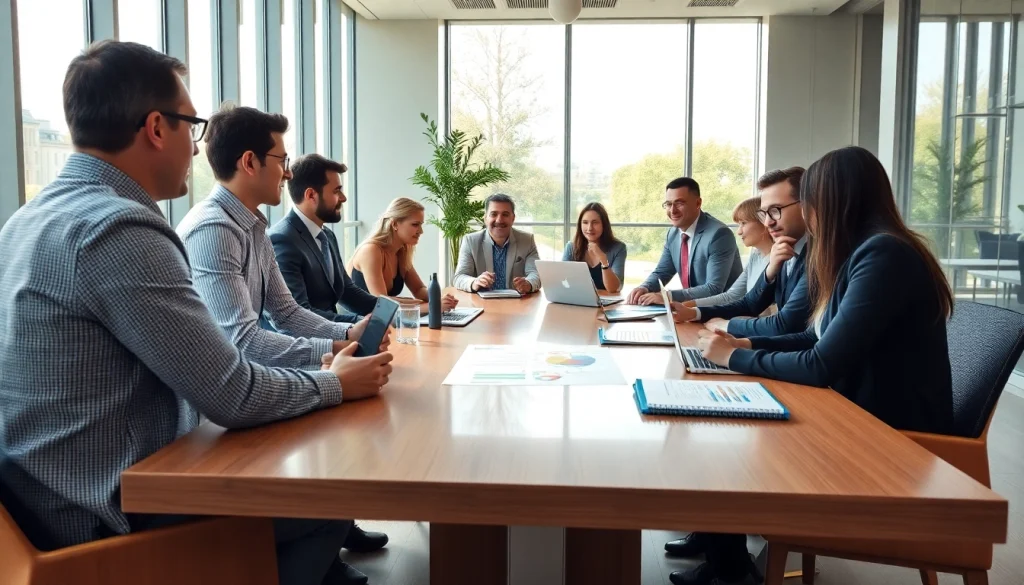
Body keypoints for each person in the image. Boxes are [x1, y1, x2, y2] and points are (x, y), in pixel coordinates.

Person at [0, 40, 391, 585]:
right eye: (192, 125)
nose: (197, 146)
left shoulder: (24, 221)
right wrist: (334, 385)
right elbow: (230, 391)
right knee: (325, 498)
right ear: (157, 128)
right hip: (103, 514)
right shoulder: (118, 229)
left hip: (42, 504)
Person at [678, 146, 955, 585]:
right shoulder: (865, 252)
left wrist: (734, 357)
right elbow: (814, 337)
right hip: (859, 414)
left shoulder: (883, 256)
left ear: (837, 199)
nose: (807, 211)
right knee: (724, 418)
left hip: (891, 442)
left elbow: (821, 363)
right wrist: (740, 346)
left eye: (812, 200)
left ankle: (731, 570)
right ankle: (727, 561)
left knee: (727, 432)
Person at [177, 106, 389, 577]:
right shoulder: (214, 229)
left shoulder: (252, 225)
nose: (288, 171)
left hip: (232, 392)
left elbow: (287, 313)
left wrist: (346, 335)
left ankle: (322, 564)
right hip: (212, 416)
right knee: (331, 493)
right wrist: (334, 355)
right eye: (281, 159)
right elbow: (242, 341)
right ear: (250, 162)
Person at [668, 167, 811, 338]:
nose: (767, 222)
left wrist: (726, 326)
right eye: (764, 213)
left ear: (806, 207)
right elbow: (749, 303)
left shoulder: (816, 256)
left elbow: (784, 325)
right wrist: (695, 313)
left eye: (775, 210)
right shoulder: (784, 250)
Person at [269, 154, 378, 324]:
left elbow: (346, 290)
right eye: (336, 191)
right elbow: (299, 314)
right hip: (309, 345)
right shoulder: (282, 240)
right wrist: (358, 324)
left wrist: (390, 311)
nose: (343, 198)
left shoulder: (326, 235)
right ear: (311, 195)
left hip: (336, 338)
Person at [627, 177, 742, 305]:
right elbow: (663, 271)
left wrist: (668, 296)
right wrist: (644, 287)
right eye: (669, 204)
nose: (672, 211)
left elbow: (714, 289)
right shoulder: (673, 233)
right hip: (692, 309)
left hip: (724, 311)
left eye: (679, 203)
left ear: (698, 203)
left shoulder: (719, 235)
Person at [348, 197, 458, 311]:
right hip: (359, 323)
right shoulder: (371, 251)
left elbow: (418, 289)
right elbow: (383, 304)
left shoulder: (401, 251)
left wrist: (439, 299)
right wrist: (433, 306)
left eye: (421, 225)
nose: (421, 231)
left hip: (385, 321)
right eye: (415, 224)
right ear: (395, 224)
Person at [678, 196, 771, 309]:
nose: (739, 232)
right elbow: (731, 296)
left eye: (743, 223)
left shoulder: (781, 261)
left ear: (764, 222)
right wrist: (688, 306)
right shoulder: (756, 256)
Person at [452, 193, 541, 295]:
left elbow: (536, 274)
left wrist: (528, 284)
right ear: (485, 219)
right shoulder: (470, 241)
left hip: (517, 303)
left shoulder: (527, 240)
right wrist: (474, 282)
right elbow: (459, 277)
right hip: (481, 304)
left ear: (513, 218)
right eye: (494, 214)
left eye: (505, 214)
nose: (499, 220)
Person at [561, 202, 627, 293]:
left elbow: (613, 288)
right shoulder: (571, 247)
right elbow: (562, 282)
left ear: (604, 225)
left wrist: (603, 260)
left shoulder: (618, 248)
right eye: (585, 222)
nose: (589, 228)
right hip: (577, 301)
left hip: (607, 304)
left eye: (595, 223)